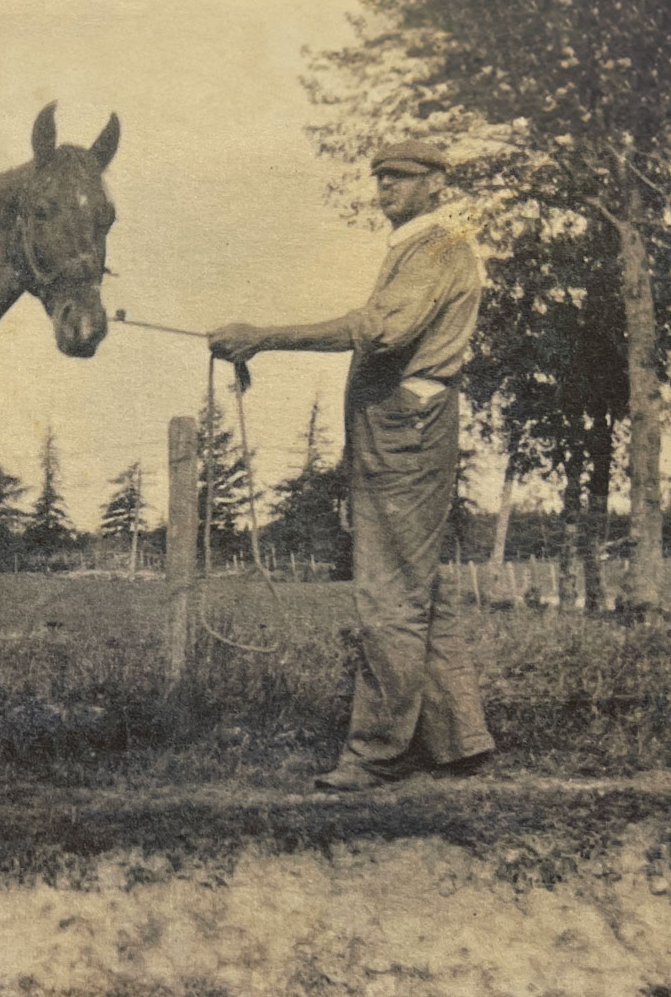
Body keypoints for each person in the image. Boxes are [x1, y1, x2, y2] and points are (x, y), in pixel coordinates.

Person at [209, 140, 495, 791]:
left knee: (388, 593)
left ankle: (376, 754)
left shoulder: (438, 247)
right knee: (419, 588)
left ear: (435, 185)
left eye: (399, 177)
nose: (384, 188)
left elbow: (381, 331)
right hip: (401, 424)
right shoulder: (423, 247)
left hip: (406, 425)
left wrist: (267, 336)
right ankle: (460, 743)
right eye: (379, 178)